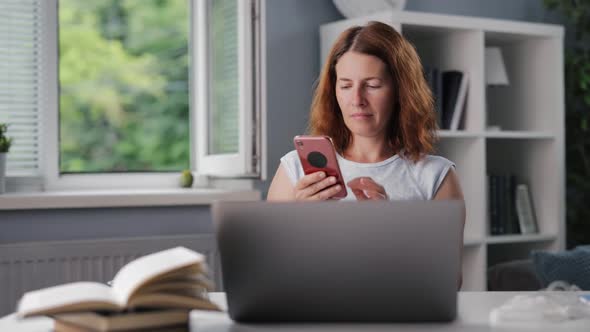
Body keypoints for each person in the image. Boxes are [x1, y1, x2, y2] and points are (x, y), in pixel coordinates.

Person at [267, 21, 464, 206]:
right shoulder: (294, 169)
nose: (357, 100)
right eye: (345, 86)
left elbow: (444, 244)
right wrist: (298, 218)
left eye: (372, 85)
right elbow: (270, 243)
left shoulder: (435, 176)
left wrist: (387, 223)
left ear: (400, 91)